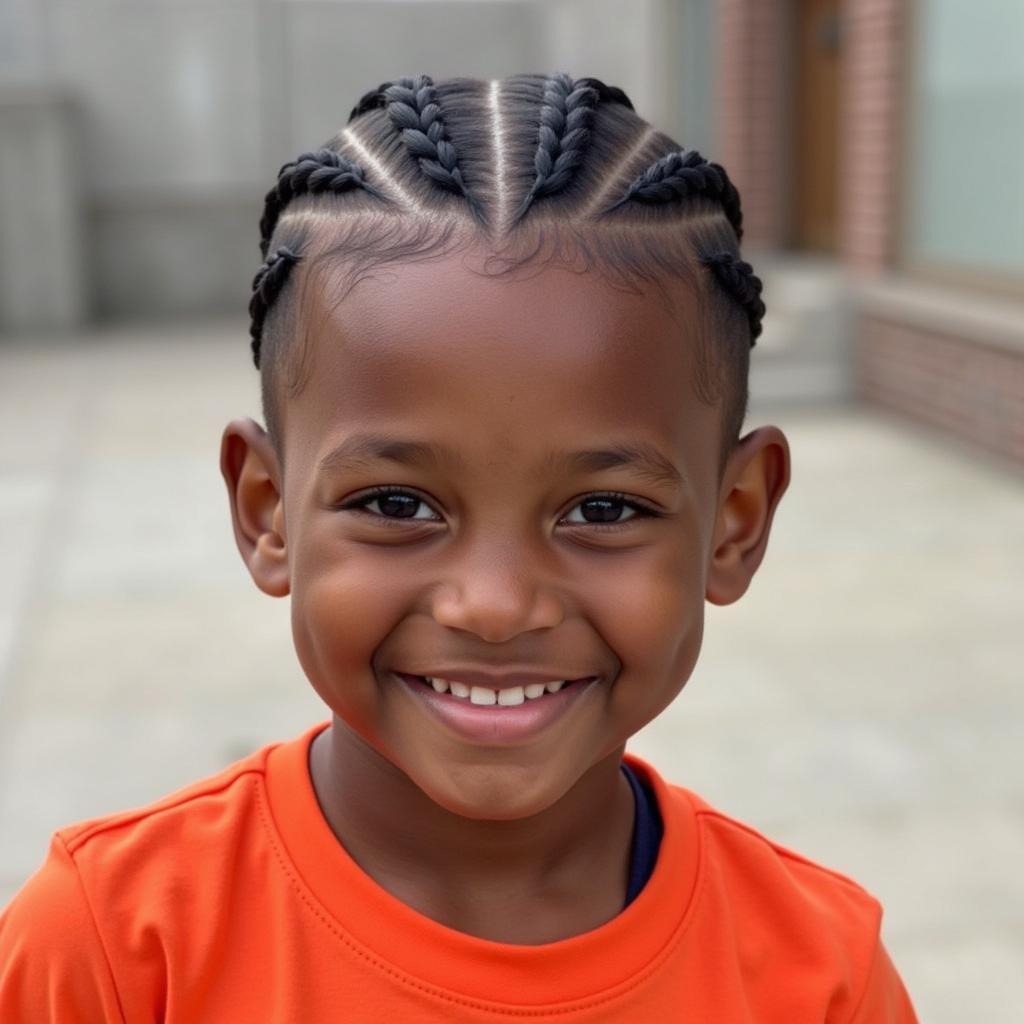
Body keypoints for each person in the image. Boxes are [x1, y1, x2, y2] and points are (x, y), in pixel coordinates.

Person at [0, 73, 919, 1021]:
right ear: (267, 509)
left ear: (735, 523)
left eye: (602, 511)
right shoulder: (113, 952)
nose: (493, 604)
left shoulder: (819, 976)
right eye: (398, 502)